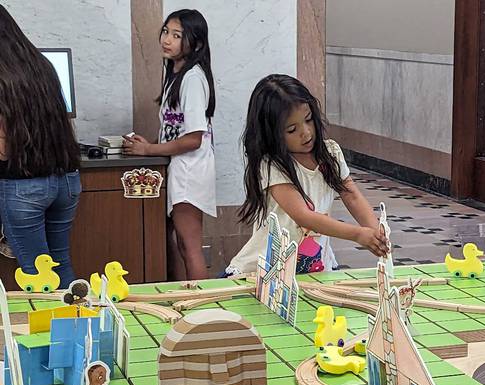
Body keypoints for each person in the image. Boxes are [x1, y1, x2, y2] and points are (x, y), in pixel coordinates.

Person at [226, 74, 389, 275]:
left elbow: (352, 195)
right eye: (292, 129)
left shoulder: (330, 153)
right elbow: (304, 216)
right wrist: (357, 234)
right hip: (266, 273)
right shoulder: (273, 165)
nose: (306, 133)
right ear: (271, 134)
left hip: (315, 269)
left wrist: (376, 232)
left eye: (309, 119)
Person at [123, 9, 216, 280]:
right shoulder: (175, 74)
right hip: (179, 168)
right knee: (175, 243)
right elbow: (175, 130)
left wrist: (149, 150)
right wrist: (149, 144)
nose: (167, 39)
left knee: (189, 245)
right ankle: (179, 297)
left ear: (196, 43)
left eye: (177, 35)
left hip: (191, 170)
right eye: (166, 32)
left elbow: (193, 138)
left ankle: (203, 310)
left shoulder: (193, 79)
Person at [0, 6, 82, 288]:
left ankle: (52, 332)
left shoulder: (2, 76)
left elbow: (4, 149)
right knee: (59, 264)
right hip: (66, 181)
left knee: (38, 276)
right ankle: (77, 324)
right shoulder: (41, 65)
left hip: (24, 187)